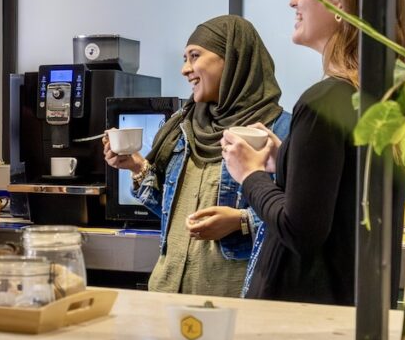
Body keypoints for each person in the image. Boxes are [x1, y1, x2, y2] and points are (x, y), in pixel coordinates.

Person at [222, 0, 405, 305]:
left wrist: (251, 174)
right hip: (358, 309)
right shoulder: (387, 100)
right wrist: (287, 160)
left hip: (304, 318)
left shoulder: (324, 101)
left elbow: (300, 231)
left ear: (344, 2)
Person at [103, 15, 290, 297]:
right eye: (184, 58)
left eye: (194, 56)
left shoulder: (277, 131)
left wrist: (241, 220)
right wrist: (137, 167)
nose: (184, 69)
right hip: (167, 291)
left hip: (233, 299)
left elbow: (298, 221)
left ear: (232, 60)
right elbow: (174, 214)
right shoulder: (183, 128)